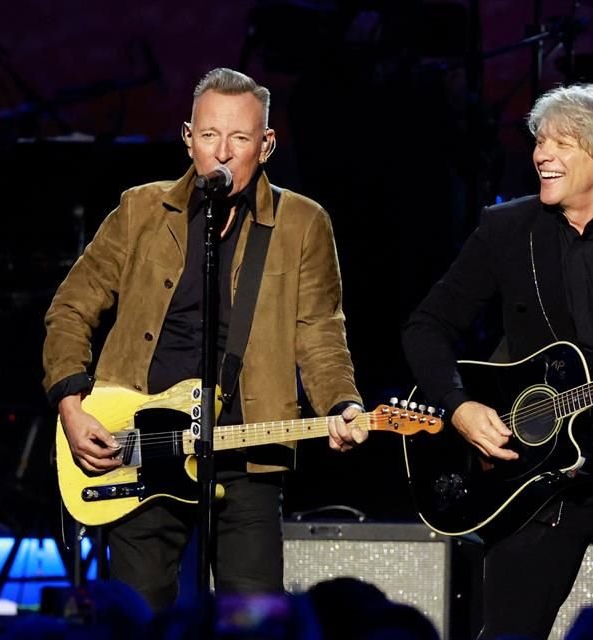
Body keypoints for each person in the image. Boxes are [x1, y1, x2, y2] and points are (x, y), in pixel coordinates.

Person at [42, 67, 367, 610]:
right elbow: (71, 308)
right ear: (187, 137)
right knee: (140, 612)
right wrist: (72, 408)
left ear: (265, 146)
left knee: (255, 617)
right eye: (210, 135)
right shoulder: (140, 210)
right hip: (141, 447)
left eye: (239, 138)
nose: (222, 151)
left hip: (248, 448)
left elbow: (320, 331)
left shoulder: (302, 223)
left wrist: (342, 400)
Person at [402, 83, 593, 639]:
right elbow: (426, 327)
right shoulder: (506, 230)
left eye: (562, 143)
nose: (542, 155)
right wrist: (459, 406)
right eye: (540, 141)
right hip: (529, 484)